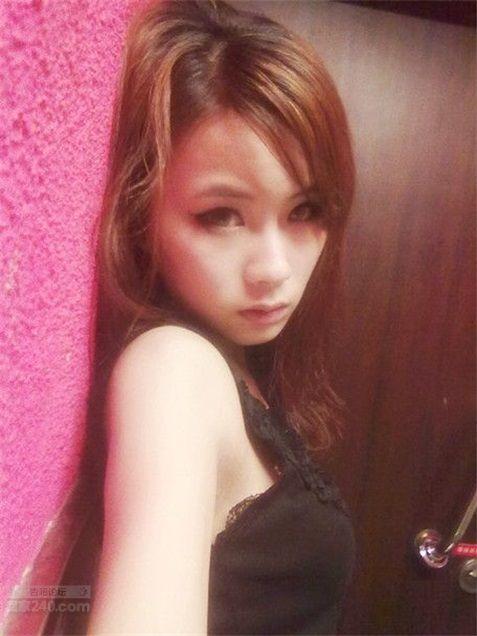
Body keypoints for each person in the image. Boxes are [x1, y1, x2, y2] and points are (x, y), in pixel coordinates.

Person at [86, 0, 356, 633]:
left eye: (305, 210)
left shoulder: (241, 360)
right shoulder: (172, 368)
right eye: (222, 216)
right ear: (142, 212)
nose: (274, 269)